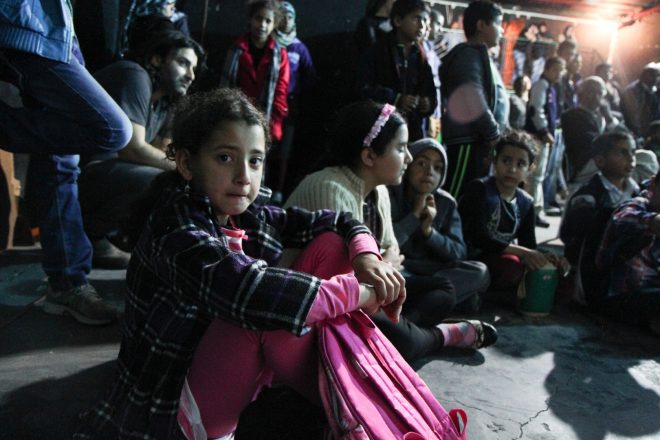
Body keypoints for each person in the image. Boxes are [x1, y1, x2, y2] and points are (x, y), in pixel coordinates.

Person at [74, 88, 407, 439]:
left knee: (331, 245)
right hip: (173, 404)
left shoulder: (247, 214)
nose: (243, 176)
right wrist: (361, 293)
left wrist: (366, 256)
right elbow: (249, 292)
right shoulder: (175, 228)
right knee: (264, 310)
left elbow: (337, 221)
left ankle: (347, 399)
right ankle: (354, 408)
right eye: (225, 158)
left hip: (227, 369)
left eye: (255, 160)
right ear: (186, 163)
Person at [286, 100, 497, 362]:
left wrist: (386, 263)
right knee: (404, 339)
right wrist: (384, 264)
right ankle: (435, 336)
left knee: (443, 290)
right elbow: (348, 279)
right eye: (401, 148)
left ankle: (397, 334)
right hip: (325, 302)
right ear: (369, 156)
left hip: (370, 294)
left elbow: (393, 251)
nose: (408, 158)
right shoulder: (330, 188)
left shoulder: (381, 191)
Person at [0, 0, 132, 325]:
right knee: (112, 130)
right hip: (26, 28)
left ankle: (66, 284)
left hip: (57, 31)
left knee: (59, 158)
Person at [78, 30, 203, 269]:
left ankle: (124, 239)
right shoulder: (135, 76)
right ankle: (90, 233)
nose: (190, 75)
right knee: (163, 180)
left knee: (175, 179)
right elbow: (133, 150)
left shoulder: (167, 102)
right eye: (183, 63)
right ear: (157, 59)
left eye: (194, 68)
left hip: (107, 175)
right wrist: (194, 170)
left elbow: (163, 154)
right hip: (78, 174)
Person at [458, 130, 569, 304]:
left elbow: (528, 245)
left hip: (499, 259)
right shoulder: (480, 189)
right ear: (495, 161)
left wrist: (547, 257)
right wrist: (526, 253)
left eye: (521, 164)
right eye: (506, 161)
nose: (512, 169)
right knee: (511, 266)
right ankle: (480, 296)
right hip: (470, 258)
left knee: (558, 275)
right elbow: (478, 238)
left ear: (530, 169)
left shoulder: (526, 202)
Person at [389, 138, 490, 311]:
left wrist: (429, 232)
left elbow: (459, 253)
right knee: (387, 275)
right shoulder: (390, 195)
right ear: (407, 165)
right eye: (421, 163)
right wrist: (414, 216)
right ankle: (438, 301)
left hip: (433, 273)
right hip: (401, 271)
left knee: (480, 272)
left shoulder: (446, 202)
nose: (429, 172)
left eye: (438, 168)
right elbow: (384, 245)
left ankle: (421, 301)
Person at [560, 131, 639, 305]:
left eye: (632, 152)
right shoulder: (588, 196)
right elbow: (572, 236)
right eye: (622, 152)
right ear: (600, 161)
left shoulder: (636, 192)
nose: (631, 158)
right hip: (593, 263)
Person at [440, 0, 508, 198]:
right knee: (456, 197)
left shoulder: (479, 55)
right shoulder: (468, 55)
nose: (502, 30)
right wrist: (493, 132)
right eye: (498, 24)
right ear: (481, 25)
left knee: (471, 197)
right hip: (468, 141)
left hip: (478, 141)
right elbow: (472, 95)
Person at [356, 0, 437, 142]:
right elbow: (362, 89)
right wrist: (396, 99)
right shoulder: (378, 52)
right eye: (417, 18)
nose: (422, 26)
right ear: (398, 21)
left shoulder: (421, 57)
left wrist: (428, 103)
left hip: (413, 132)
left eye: (425, 20)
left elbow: (430, 92)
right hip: (383, 131)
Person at [220, 0, 289, 155]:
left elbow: (280, 93)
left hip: (266, 120)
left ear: (274, 25)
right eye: (258, 18)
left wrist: (271, 125)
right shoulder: (236, 49)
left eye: (268, 21)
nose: (262, 25)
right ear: (250, 19)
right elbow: (226, 89)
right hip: (236, 116)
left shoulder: (280, 55)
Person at [596, 170, 660, 334]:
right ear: (654, 183)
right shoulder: (636, 205)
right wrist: (653, 221)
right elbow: (624, 218)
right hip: (621, 298)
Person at [272, 1, 318, 199]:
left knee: (285, 150)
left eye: (289, 17)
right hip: (268, 102)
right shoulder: (268, 43)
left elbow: (310, 77)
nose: (285, 21)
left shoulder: (299, 48)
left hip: (289, 105)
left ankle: (278, 190)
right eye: (281, 17)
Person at [562, 76, 622, 193]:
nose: (594, 97)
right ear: (581, 94)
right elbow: (591, 141)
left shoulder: (604, 115)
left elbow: (625, 137)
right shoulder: (572, 116)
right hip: (584, 163)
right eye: (590, 92)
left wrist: (610, 119)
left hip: (599, 159)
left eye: (599, 93)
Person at [525, 56, 566, 227]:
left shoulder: (550, 87)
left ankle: (535, 210)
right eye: (556, 70)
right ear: (547, 69)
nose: (559, 74)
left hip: (543, 136)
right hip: (538, 137)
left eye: (560, 70)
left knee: (538, 176)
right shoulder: (541, 85)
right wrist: (544, 131)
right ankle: (531, 212)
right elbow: (536, 109)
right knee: (535, 176)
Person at [121, 0, 191, 54]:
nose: (173, 8)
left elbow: (185, 48)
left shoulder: (178, 20)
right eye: (168, 3)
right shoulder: (137, 19)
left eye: (174, 3)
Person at [621, 62, 660, 140]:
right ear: (648, 75)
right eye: (657, 75)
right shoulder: (633, 91)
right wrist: (640, 135)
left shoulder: (653, 89)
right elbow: (633, 117)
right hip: (638, 133)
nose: (658, 79)